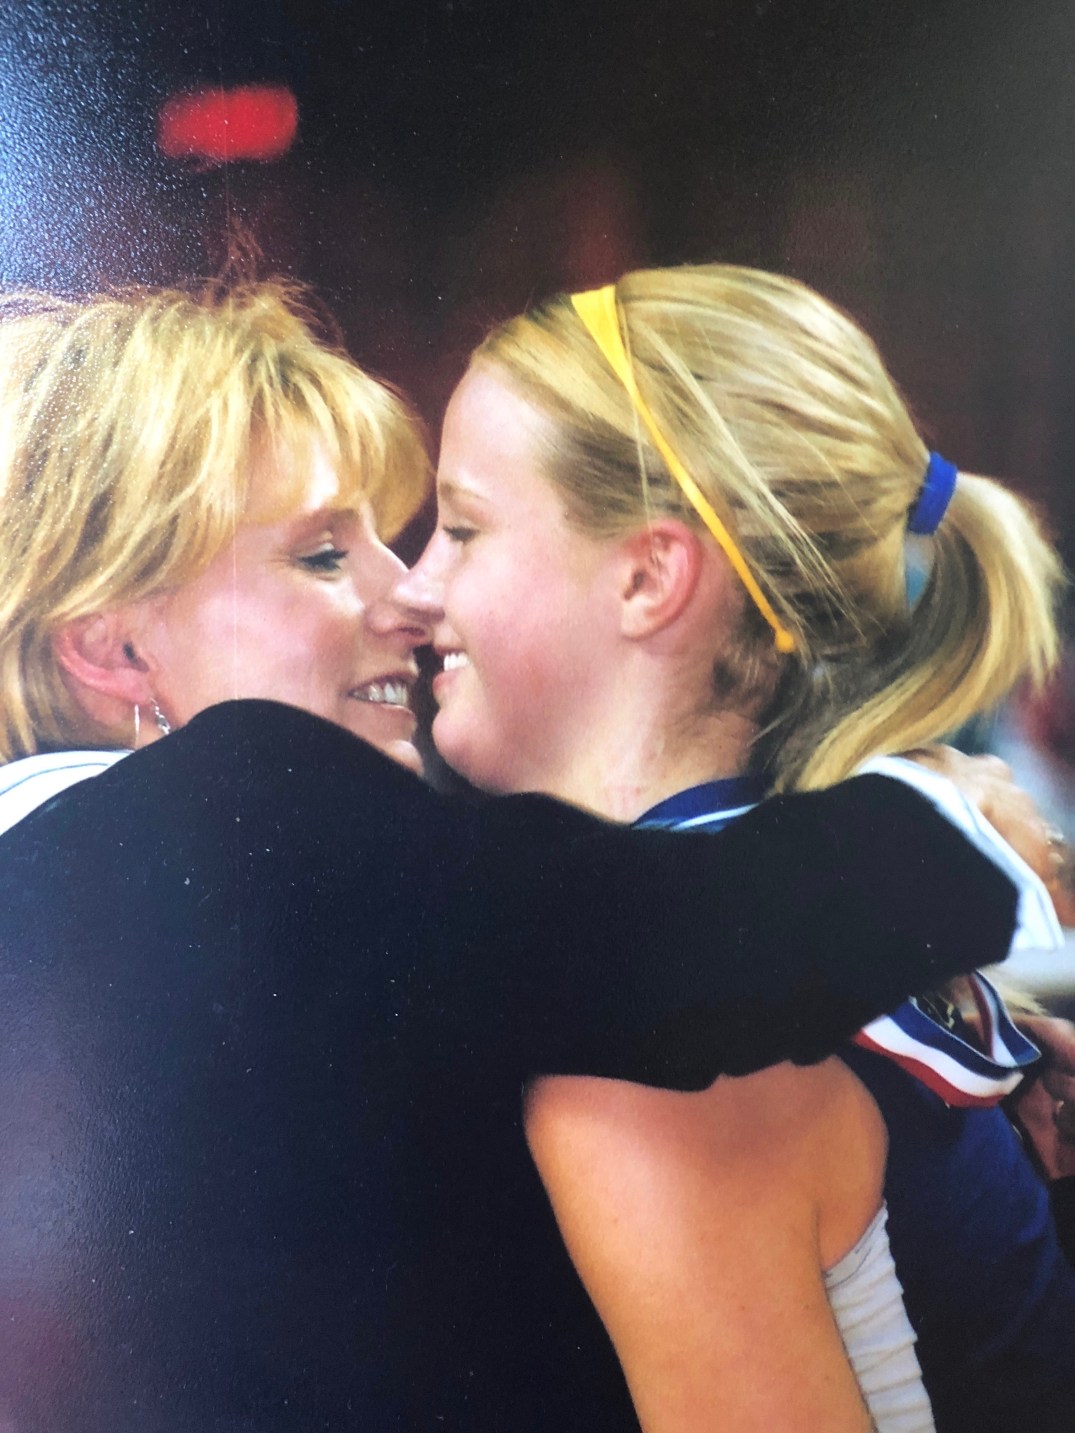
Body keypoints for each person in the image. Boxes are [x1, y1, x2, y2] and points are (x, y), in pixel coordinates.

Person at [0, 282, 1051, 1432]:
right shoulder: (226, 820)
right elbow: (674, 943)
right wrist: (947, 819)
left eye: (445, 529)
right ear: (112, 646)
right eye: (316, 554)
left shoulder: (133, 895)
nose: (409, 591)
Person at [397, 265, 1075, 1430]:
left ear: (651, 575)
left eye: (462, 527)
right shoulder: (782, 919)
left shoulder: (667, 1048)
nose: (414, 586)